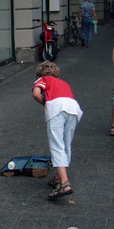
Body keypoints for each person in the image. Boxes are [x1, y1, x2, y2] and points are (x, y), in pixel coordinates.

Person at [32, 61, 83, 199]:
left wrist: (45, 104)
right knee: (66, 144)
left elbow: (36, 93)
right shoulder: (63, 83)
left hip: (56, 109)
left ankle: (64, 184)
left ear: (38, 75)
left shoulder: (43, 79)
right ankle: (57, 177)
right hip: (74, 109)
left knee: (56, 145)